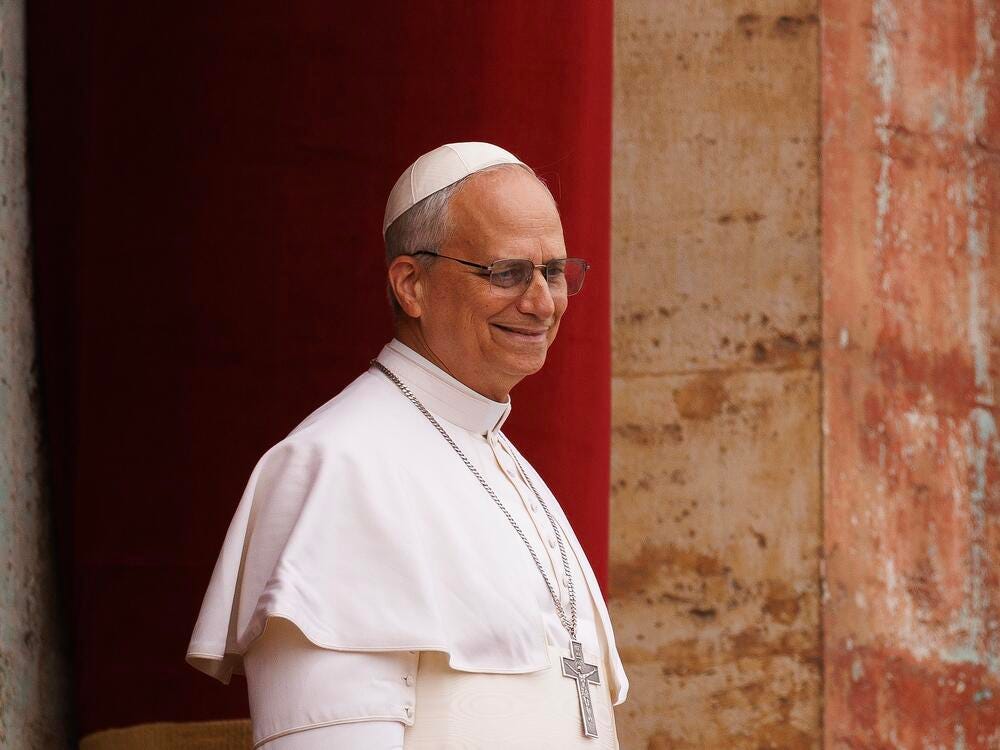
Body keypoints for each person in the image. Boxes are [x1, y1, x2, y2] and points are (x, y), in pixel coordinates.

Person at [186, 142, 628, 749]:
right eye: (507, 273)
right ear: (411, 285)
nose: (542, 302)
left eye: (553, 271)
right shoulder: (339, 466)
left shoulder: (504, 462)